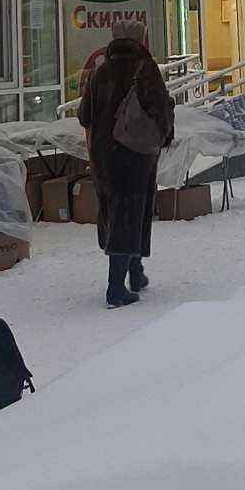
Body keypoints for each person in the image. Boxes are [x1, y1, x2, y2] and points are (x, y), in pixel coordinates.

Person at [77, 20, 175, 306]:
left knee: (115, 211)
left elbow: (84, 115)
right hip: (136, 155)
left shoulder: (100, 72)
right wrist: (164, 133)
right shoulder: (145, 69)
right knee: (133, 212)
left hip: (104, 157)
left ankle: (136, 271)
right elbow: (160, 111)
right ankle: (116, 287)